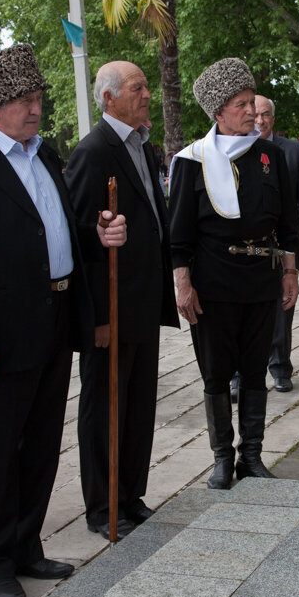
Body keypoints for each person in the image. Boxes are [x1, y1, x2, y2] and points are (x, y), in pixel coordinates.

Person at [0, 45, 126, 597]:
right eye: (22, 101)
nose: (34, 110)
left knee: (40, 443)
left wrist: (97, 232)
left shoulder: (45, 156)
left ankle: (25, 545)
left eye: (38, 99)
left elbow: (53, 232)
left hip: (53, 319)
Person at [169, 58, 299, 491]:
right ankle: (222, 458)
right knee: (216, 372)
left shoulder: (271, 155)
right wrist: (182, 284)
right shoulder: (191, 160)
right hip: (213, 285)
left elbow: (287, 222)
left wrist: (290, 272)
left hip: (260, 281)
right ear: (219, 113)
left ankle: (252, 455)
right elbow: (180, 232)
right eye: (242, 105)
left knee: (255, 367)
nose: (251, 112)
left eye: (252, 102)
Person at [63, 60, 178, 539]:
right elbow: (79, 234)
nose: (148, 94)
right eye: (137, 87)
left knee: (138, 404)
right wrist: (94, 316)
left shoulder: (142, 146)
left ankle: (131, 493)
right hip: (110, 305)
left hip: (143, 300)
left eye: (148, 85)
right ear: (109, 98)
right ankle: (102, 503)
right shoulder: (93, 152)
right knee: (106, 405)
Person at [252, 95, 299, 392]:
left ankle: (280, 368)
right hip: (249, 246)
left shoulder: (294, 152)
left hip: (283, 245)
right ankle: (243, 372)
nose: (260, 120)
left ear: (273, 118)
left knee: (283, 305)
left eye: (265, 114)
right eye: (254, 115)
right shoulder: (236, 151)